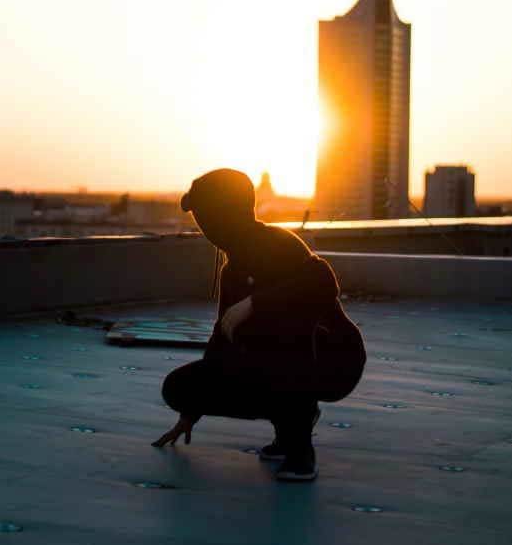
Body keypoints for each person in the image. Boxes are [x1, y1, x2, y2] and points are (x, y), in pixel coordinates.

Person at [152, 168, 366, 481]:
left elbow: (322, 280)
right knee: (179, 388)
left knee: (274, 332)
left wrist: (254, 304)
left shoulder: (277, 243)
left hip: (333, 357)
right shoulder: (232, 269)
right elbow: (222, 338)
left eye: (205, 215)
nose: (203, 227)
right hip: (285, 360)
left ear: (225, 214)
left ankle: (299, 448)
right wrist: (192, 410)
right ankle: (291, 417)